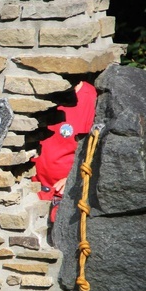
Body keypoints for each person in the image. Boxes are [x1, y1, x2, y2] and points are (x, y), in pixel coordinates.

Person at [32, 80, 98, 224]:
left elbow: (98, 152)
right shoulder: (34, 91)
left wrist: (74, 179)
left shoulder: (92, 99)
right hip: (32, 188)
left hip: (64, 193)